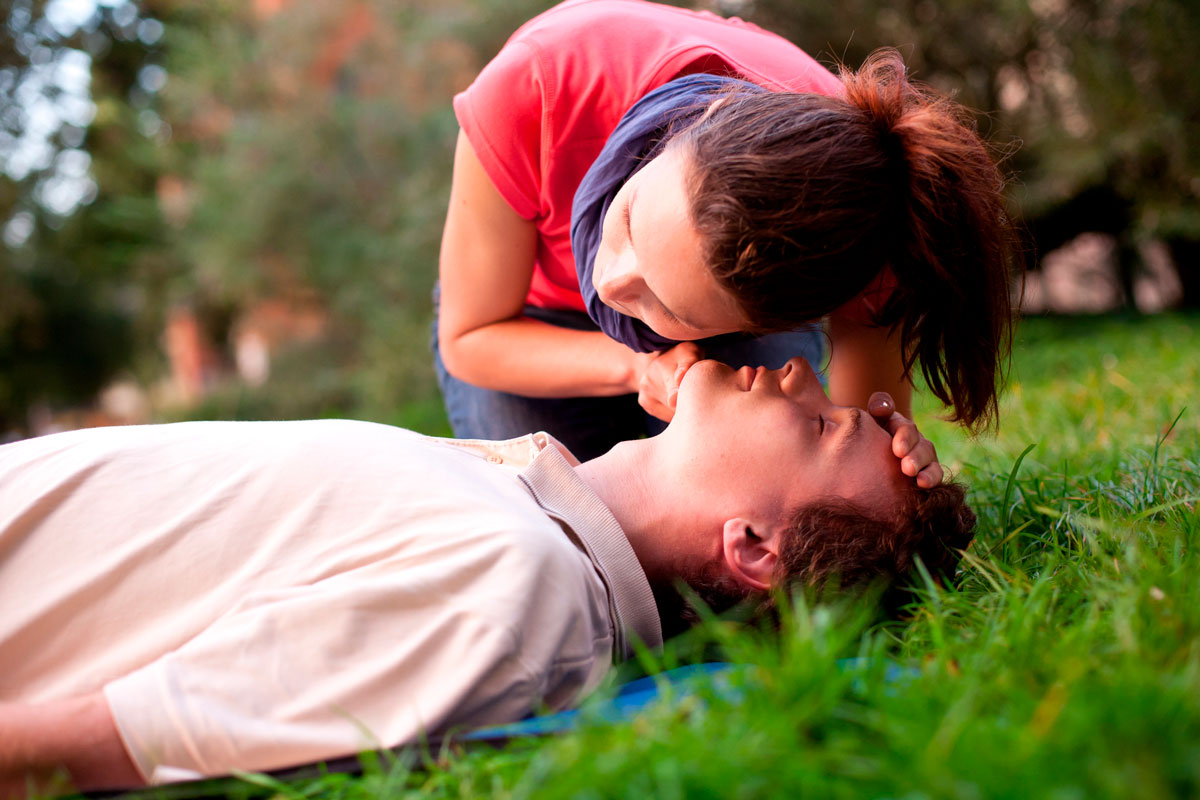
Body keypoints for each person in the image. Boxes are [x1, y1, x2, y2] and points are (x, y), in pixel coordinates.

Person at [0, 357, 975, 796]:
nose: (804, 377)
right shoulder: (521, 510)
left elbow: (109, 741)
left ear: (755, 544)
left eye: (818, 426)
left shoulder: (517, 585)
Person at [435, 0, 1014, 471]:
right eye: (632, 218)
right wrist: (637, 364)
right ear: (691, 126)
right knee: (562, 521)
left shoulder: (867, 230)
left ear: (771, 323)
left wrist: (887, 466)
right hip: (522, 323)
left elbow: (858, 449)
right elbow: (471, 335)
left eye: (664, 303)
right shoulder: (537, 86)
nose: (608, 282)